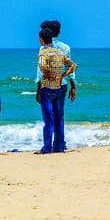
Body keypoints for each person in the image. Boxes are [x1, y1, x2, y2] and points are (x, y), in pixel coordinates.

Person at [36, 20, 77, 150]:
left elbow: (40, 69)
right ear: (58, 32)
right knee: (59, 115)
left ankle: (47, 146)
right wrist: (69, 82)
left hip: (48, 86)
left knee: (48, 116)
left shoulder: (43, 50)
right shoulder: (65, 48)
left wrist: (42, 83)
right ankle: (60, 144)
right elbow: (72, 66)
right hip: (61, 85)